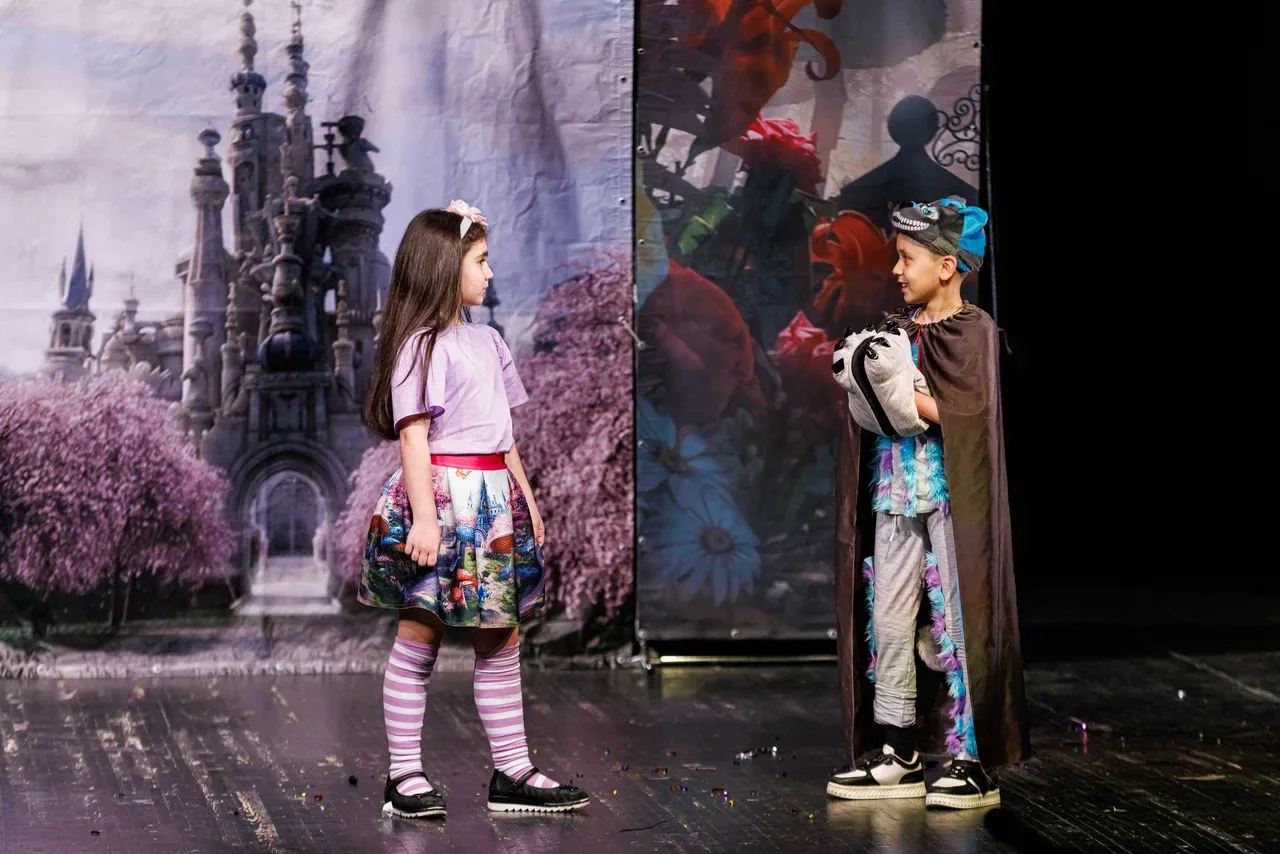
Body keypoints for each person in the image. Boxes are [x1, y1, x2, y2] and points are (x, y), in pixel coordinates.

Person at [359, 200, 589, 818]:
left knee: (502, 636)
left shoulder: (488, 340)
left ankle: (512, 770)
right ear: (444, 267)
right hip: (442, 501)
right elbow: (413, 437)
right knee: (420, 633)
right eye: (480, 261)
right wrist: (425, 519)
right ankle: (404, 775)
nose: (489, 273)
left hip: (492, 504)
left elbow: (502, 434)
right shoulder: (420, 347)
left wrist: (527, 501)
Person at [826, 196, 1029, 810]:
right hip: (896, 490)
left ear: (946, 266)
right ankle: (898, 750)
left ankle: (971, 757)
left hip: (949, 497)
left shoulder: (973, 331)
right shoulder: (899, 329)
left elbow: (969, 416)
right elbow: (877, 404)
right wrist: (867, 385)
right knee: (888, 620)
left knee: (961, 619)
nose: (896, 270)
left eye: (907, 258)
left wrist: (899, 393)